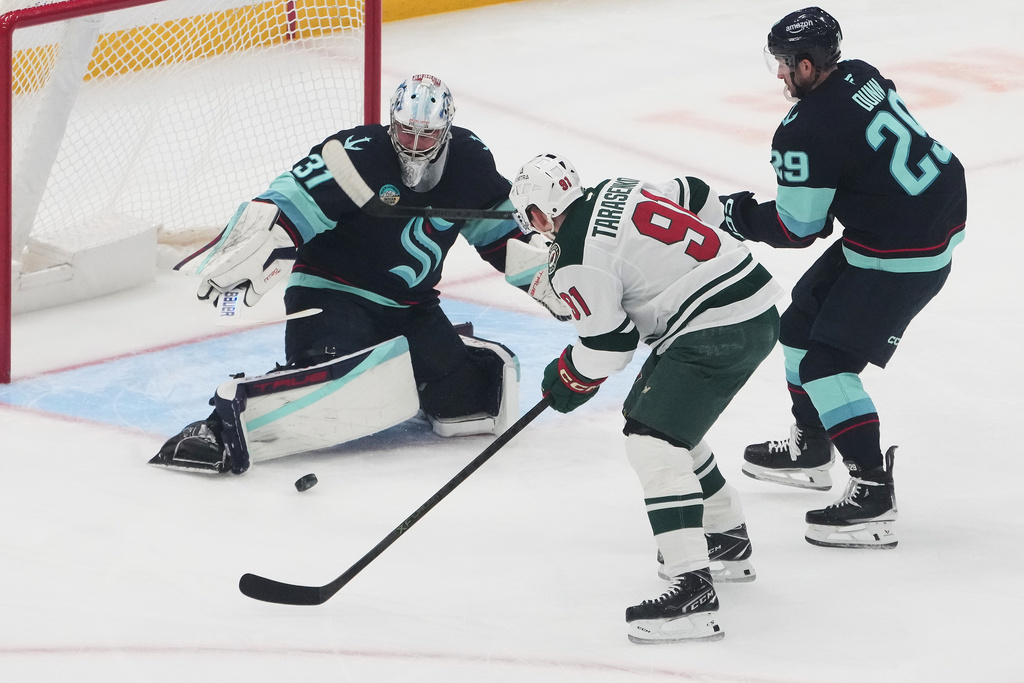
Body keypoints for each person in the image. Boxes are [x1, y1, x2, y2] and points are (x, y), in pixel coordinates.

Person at [150, 74, 566, 475]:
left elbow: (502, 234)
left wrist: (547, 274)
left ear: (447, 131)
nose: (415, 146)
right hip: (331, 295)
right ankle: (219, 425)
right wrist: (263, 235)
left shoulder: (470, 162)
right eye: (405, 133)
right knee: (340, 386)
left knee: (472, 405)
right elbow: (290, 201)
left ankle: (430, 355)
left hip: (411, 307)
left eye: (427, 136)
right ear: (392, 124)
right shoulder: (355, 154)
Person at [720, 8, 968, 549]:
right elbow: (861, 153)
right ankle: (811, 446)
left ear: (808, 65)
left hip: (902, 250)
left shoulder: (804, 129)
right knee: (797, 328)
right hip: (914, 219)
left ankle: (873, 493)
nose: (780, 75)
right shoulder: (860, 72)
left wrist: (735, 215)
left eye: (785, 65)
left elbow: (798, 228)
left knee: (825, 366)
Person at [509, 153, 783, 643]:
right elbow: (695, 191)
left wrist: (567, 379)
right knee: (659, 420)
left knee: (652, 441)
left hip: (717, 324)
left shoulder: (576, 258)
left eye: (530, 217)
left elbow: (610, 346)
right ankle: (723, 536)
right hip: (748, 297)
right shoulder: (619, 185)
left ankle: (693, 591)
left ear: (541, 213)